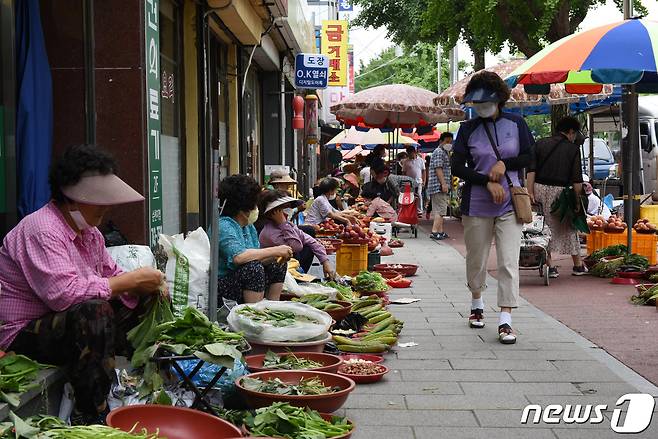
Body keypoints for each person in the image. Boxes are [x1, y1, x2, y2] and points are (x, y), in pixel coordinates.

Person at [0, 145, 164, 424]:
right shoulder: (41, 229)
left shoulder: (90, 234)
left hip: (68, 325)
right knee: (94, 312)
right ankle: (91, 414)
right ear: (71, 198)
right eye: (99, 199)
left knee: (147, 297)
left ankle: (149, 381)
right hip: (24, 334)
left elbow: (113, 275)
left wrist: (146, 284)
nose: (107, 206)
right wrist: (127, 281)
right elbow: (63, 296)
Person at [451, 71, 534, 344]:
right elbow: (457, 167)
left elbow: (530, 156)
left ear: (500, 99)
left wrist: (504, 164)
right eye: (477, 104)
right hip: (476, 203)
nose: (482, 108)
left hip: (511, 203)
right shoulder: (467, 129)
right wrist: (486, 180)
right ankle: (477, 302)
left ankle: (506, 320)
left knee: (509, 261)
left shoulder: (517, 124)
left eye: (486, 103)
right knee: (476, 259)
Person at [217, 174, 292, 305]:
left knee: (277, 264)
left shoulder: (248, 226)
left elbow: (257, 256)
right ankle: (254, 315)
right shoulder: (223, 226)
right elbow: (238, 257)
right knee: (253, 268)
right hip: (222, 286)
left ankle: (273, 307)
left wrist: (276, 256)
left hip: (242, 281)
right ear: (243, 207)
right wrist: (275, 250)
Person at [527, 116, 587, 277]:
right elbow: (576, 179)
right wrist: (577, 200)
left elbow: (531, 170)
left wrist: (530, 192)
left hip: (539, 189)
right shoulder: (573, 149)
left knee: (543, 228)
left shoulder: (540, 144)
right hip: (561, 194)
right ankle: (578, 265)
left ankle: (550, 266)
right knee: (569, 226)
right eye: (575, 133)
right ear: (571, 131)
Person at [258, 190, 336, 278]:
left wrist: (325, 261)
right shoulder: (269, 233)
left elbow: (310, 240)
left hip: (291, 266)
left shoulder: (289, 225)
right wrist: (283, 223)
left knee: (309, 245)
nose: (289, 211)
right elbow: (296, 246)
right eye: (284, 208)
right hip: (275, 273)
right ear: (274, 212)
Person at [427, 132, 454, 240]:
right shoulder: (439, 152)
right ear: (441, 141)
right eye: (447, 141)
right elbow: (439, 168)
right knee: (441, 210)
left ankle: (440, 231)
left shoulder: (444, 152)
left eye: (450, 142)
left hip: (438, 185)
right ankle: (434, 232)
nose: (449, 144)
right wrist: (443, 184)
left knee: (439, 209)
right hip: (439, 185)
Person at [402, 145, 426, 214]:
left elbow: (423, 171)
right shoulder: (406, 161)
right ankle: (411, 210)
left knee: (418, 194)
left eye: (410, 153)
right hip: (409, 182)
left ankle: (419, 210)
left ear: (414, 152)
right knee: (410, 195)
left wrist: (424, 180)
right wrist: (404, 181)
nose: (409, 154)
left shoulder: (421, 160)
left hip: (418, 181)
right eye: (408, 153)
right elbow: (403, 172)